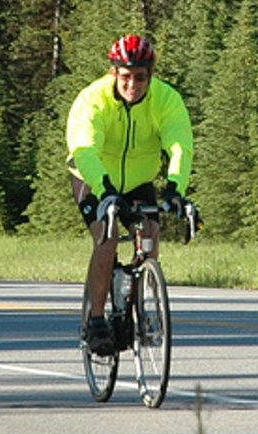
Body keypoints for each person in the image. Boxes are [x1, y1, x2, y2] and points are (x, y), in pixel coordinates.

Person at [65, 33, 195, 354]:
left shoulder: (165, 100)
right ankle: (95, 319)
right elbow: (85, 150)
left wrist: (176, 188)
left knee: (150, 233)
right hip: (92, 177)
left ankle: (140, 306)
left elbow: (180, 146)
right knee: (107, 239)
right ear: (114, 73)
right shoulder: (92, 100)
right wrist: (105, 190)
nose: (133, 84)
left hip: (138, 180)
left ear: (151, 75)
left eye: (140, 77)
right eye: (126, 76)